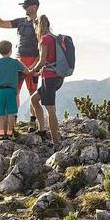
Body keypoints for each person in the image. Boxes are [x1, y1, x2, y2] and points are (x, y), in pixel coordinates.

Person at [0, 0, 41, 131]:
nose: (24, 8)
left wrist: (36, 63)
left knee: (32, 92)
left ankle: (33, 122)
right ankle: (14, 121)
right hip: (18, 61)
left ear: (34, 7)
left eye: (26, 5)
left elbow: (43, 45)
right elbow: (0, 24)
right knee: (15, 91)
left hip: (33, 60)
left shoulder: (41, 23)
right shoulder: (20, 21)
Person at [29, 14, 62, 147]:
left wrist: (32, 71)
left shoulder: (44, 39)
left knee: (50, 110)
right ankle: (42, 130)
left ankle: (55, 143)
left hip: (49, 78)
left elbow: (42, 61)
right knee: (34, 99)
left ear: (39, 26)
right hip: (58, 76)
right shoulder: (55, 38)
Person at [0, 40, 30, 140]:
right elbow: (26, 71)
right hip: (12, 91)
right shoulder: (15, 62)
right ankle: (10, 133)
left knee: (0, 113)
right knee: (11, 113)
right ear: (11, 51)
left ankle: (1, 134)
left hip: (0, 91)